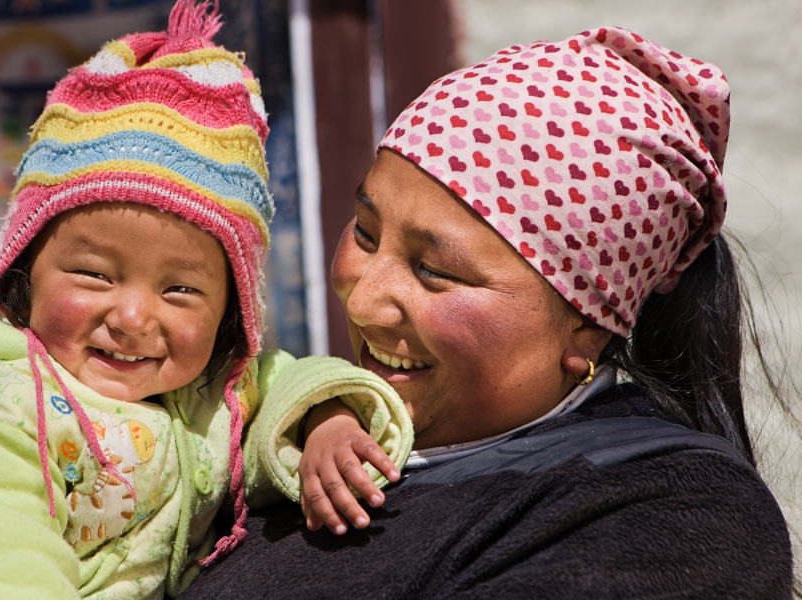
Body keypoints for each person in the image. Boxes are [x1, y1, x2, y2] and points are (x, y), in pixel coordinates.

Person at [182, 27, 796, 598]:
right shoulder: (291, 435)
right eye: (366, 233)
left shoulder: (671, 516)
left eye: (435, 271)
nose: (362, 298)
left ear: (587, 327)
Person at [0, 3, 413, 599]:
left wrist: (327, 421)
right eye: (93, 275)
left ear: (231, 315)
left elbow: (283, 385)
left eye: (180, 290)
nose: (134, 318)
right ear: (23, 273)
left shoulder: (208, 395)